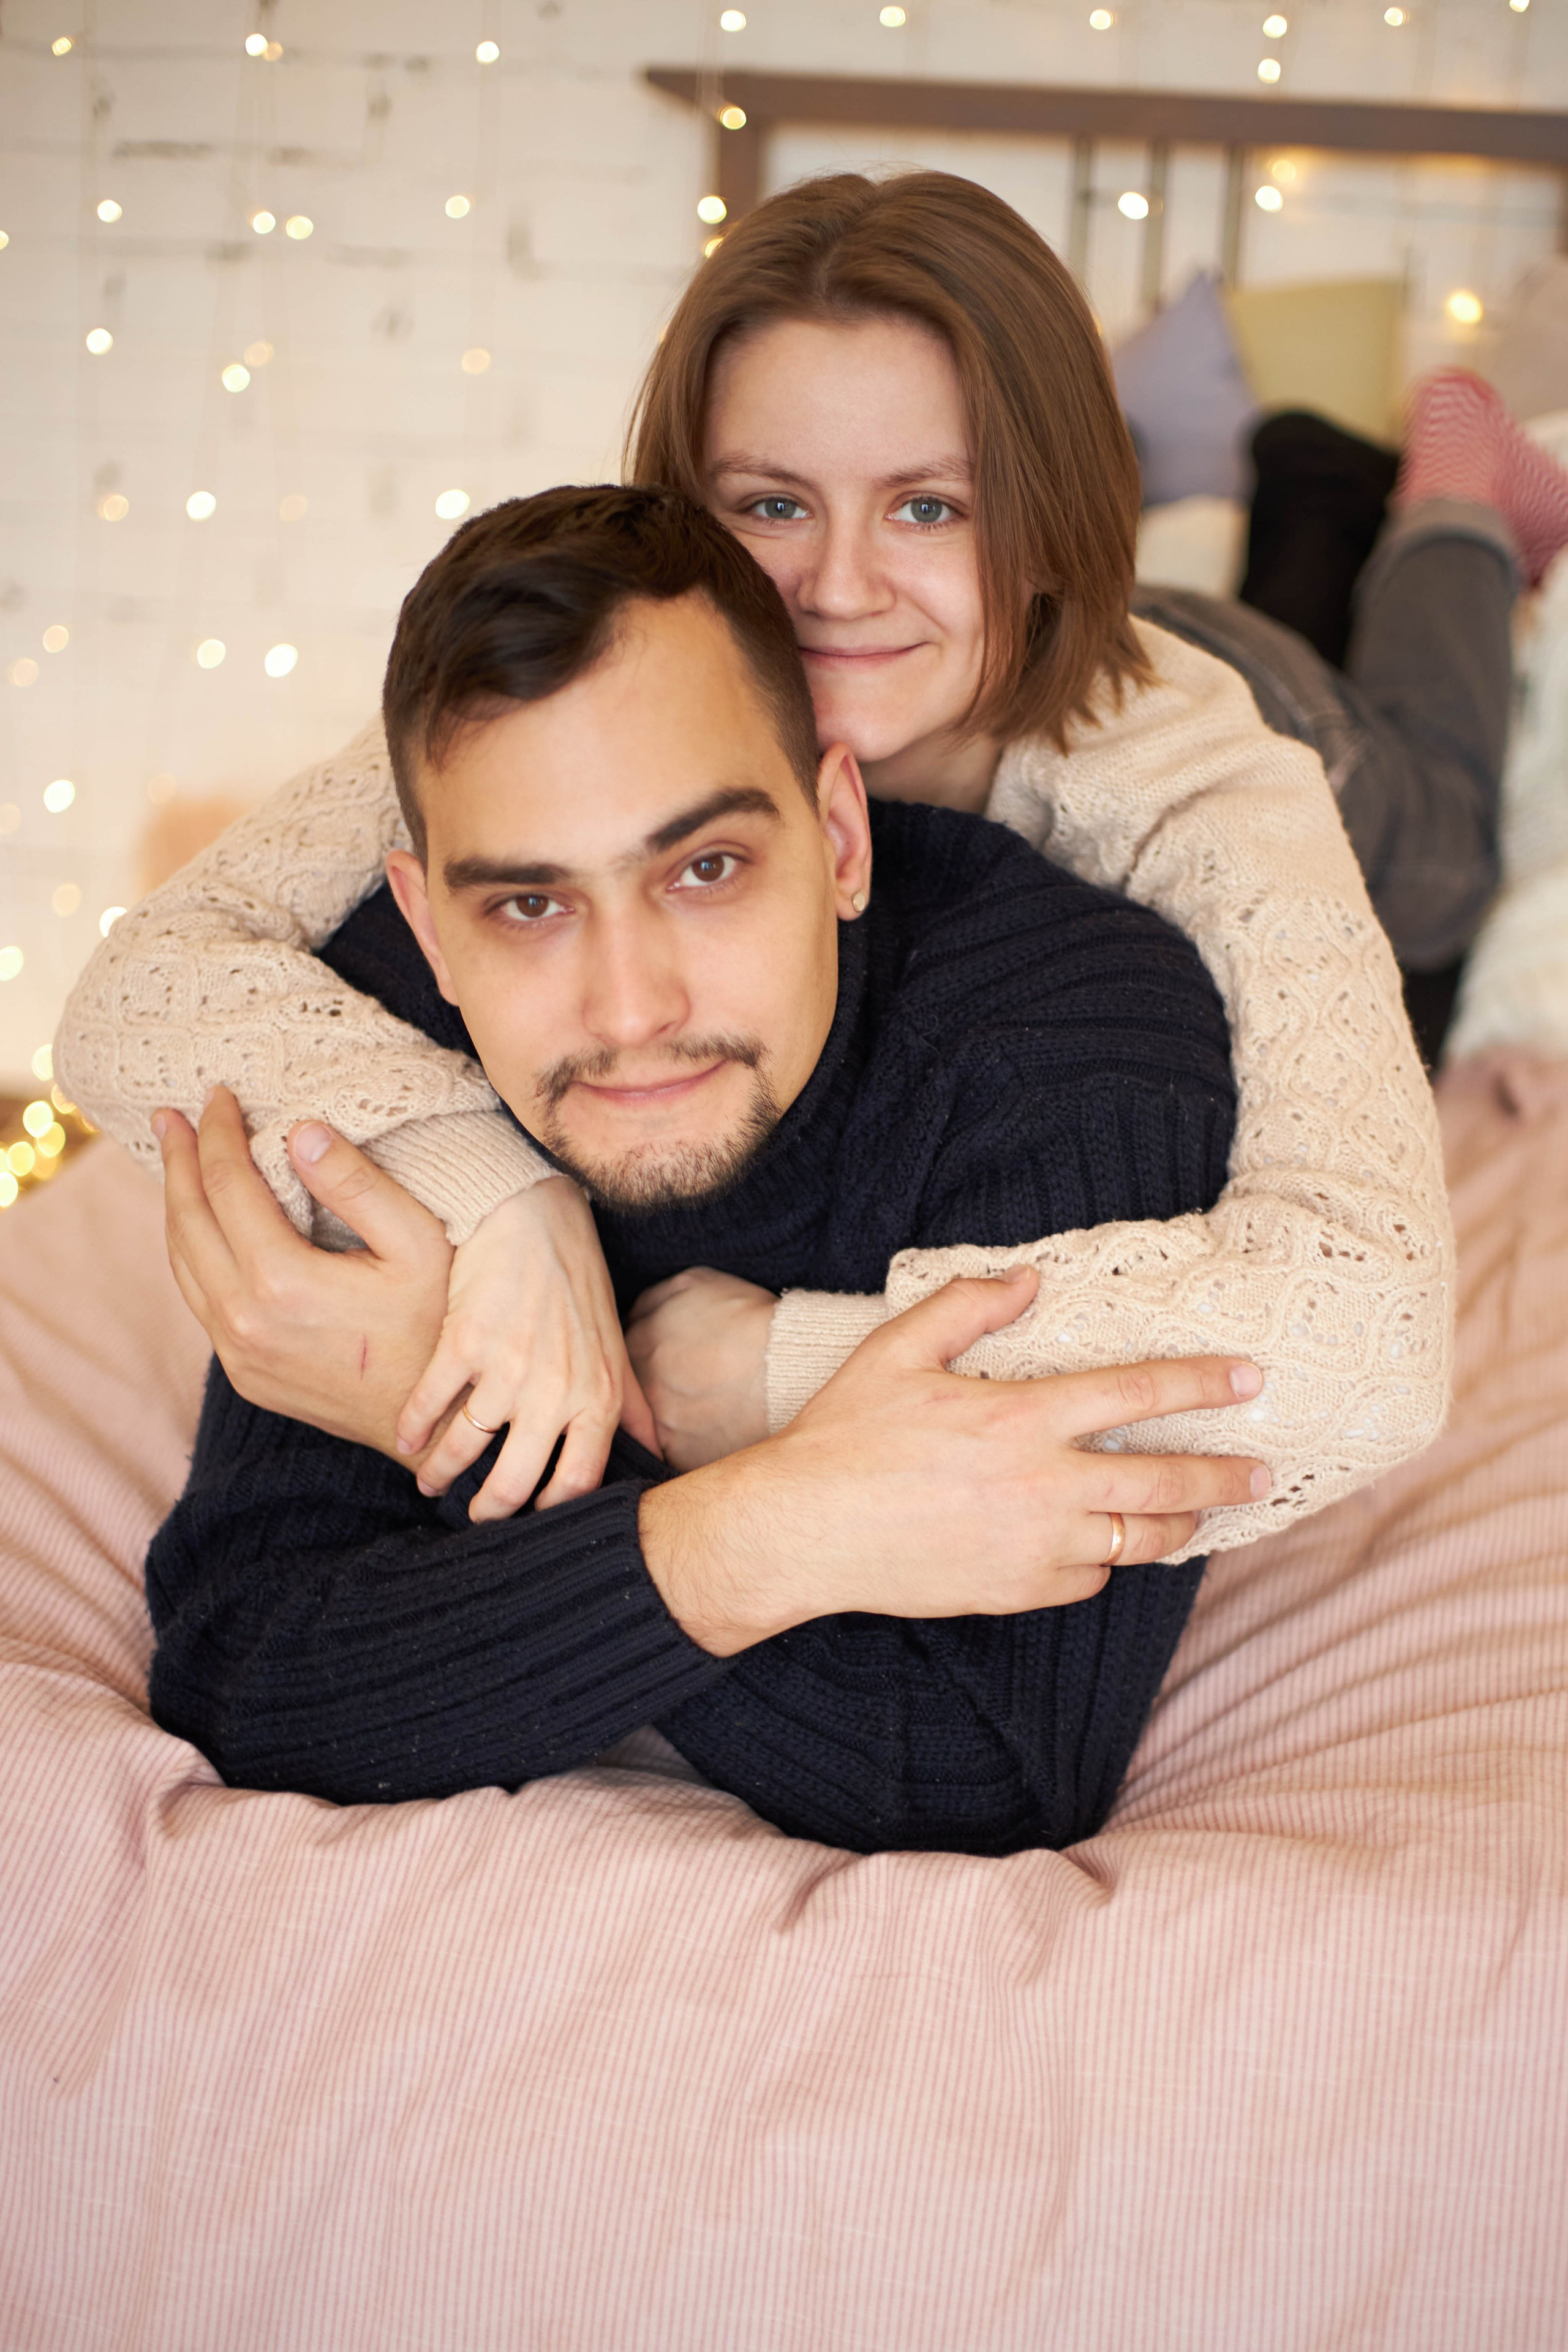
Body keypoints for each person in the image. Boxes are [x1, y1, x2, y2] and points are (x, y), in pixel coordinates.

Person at [59, 169, 1453, 1562]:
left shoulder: (1208, 792)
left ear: (1041, 529)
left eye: (928, 508)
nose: (835, 590)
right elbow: (140, 988)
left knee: (1443, 789)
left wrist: (790, 1368)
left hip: (1316, 744)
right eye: (772, 506)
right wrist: (499, 1193)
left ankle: (1454, 511)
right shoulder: (612, 684)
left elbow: (1374, 1337)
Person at [147, 484, 1268, 1856]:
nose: (631, 1011)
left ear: (839, 839)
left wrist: (444, 1417)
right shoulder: (375, 1023)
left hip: (1303, 745)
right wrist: (752, 1530)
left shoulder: (1074, 1035)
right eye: (530, 904)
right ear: (429, 930)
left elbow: (986, 1764)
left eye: (706, 868)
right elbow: (245, 1672)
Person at [1136, 370, 1568, 1058]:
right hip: (1171, 669)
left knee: (1444, 854)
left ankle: (1457, 473)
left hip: (1194, 724)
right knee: (1300, 464)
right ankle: (1321, 480)